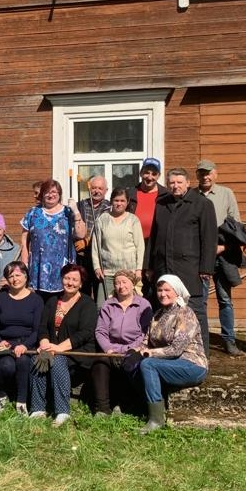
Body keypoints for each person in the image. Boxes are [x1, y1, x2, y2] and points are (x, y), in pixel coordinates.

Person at [144, 167, 218, 355]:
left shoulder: (202, 204)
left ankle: (201, 355)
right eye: (172, 183)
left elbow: (209, 238)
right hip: (164, 266)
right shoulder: (161, 203)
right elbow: (154, 236)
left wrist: (206, 268)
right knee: (165, 311)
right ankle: (166, 352)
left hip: (190, 269)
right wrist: (149, 265)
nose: (175, 186)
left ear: (188, 183)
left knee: (194, 312)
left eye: (179, 182)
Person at [137, 274, 208, 432]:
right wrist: (137, 350)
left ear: (177, 292)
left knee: (148, 365)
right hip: (168, 363)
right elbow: (146, 341)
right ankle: (136, 406)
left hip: (192, 365)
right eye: (160, 290)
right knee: (135, 363)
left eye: (167, 290)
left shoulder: (185, 313)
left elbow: (176, 349)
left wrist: (150, 353)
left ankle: (156, 419)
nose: (163, 294)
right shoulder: (157, 315)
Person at [29, 263, 97, 426]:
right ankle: (38, 408)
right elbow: (43, 326)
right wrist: (45, 343)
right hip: (53, 349)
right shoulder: (53, 301)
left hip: (78, 353)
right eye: (67, 278)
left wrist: (58, 348)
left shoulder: (87, 304)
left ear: (81, 283)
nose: (70, 282)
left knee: (58, 360)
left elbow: (86, 333)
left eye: (75, 280)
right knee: (37, 360)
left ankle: (62, 411)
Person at [195, 160, 244, 356]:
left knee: (224, 299)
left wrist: (223, 246)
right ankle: (200, 340)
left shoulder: (226, 194)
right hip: (200, 256)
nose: (205, 177)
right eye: (201, 173)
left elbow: (236, 225)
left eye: (208, 173)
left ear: (215, 174)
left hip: (223, 254)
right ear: (197, 176)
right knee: (201, 300)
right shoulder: (192, 195)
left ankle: (229, 340)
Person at [0, 260, 45, 413]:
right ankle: (2, 395)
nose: (15, 279)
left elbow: (38, 330)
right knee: (6, 366)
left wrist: (25, 345)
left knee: (23, 362)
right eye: (11, 276)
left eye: (18, 275)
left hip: (26, 345)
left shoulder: (36, 300)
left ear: (26, 277)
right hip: (5, 344)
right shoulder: (1, 298)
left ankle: (21, 402)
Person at [91, 270, 153, 417]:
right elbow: (100, 331)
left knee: (130, 363)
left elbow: (145, 333)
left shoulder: (143, 305)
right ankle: (102, 408)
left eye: (124, 282)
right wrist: (109, 349)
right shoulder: (108, 305)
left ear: (132, 284)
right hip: (111, 349)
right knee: (100, 362)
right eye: (117, 283)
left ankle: (122, 404)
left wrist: (128, 349)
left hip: (134, 348)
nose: (121, 286)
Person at [20, 178, 85, 299]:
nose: (51, 195)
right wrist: (25, 263)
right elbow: (24, 241)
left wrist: (76, 211)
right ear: (42, 194)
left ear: (59, 194)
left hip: (63, 268)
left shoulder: (68, 212)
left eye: (54, 192)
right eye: (47, 192)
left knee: (62, 304)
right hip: (38, 269)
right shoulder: (33, 213)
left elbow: (81, 234)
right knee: (39, 304)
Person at [91, 187, 145, 305]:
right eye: (116, 200)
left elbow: (140, 246)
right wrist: (97, 266)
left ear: (127, 202)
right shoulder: (102, 219)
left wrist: (138, 269)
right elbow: (96, 246)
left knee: (128, 306)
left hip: (129, 272)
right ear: (111, 201)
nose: (119, 204)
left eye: (122, 201)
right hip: (108, 273)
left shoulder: (133, 220)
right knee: (102, 307)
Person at [76, 176, 111, 296]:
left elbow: (107, 233)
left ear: (106, 190)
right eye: (94, 188)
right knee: (82, 290)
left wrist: (87, 241)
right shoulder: (79, 206)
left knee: (99, 291)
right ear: (89, 189)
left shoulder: (110, 208)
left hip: (100, 257)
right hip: (82, 256)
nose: (97, 191)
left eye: (100, 188)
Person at [127, 158, 167, 246]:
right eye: (147, 172)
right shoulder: (130, 194)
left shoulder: (166, 195)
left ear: (158, 176)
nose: (150, 177)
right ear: (141, 173)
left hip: (156, 244)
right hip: (132, 243)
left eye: (154, 174)